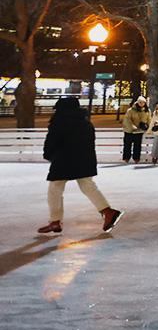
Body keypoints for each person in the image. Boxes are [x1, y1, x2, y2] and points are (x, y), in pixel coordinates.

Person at [37, 97, 123, 235]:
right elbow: (90, 142)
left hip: (63, 160)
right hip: (83, 159)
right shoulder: (86, 123)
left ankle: (55, 221)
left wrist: (48, 155)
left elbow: (51, 140)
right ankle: (107, 211)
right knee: (87, 185)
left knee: (55, 188)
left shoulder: (59, 122)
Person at [121, 96, 151, 163]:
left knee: (137, 146)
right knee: (127, 145)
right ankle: (126, 157)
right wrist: (132, 126)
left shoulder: (147, 111)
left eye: (143, 102)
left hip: (139, 131)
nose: (141, 104)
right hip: (129, 131)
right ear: (137, 102)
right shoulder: (130, 110)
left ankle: (136, 158)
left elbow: (149, 120)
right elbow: (127, 120)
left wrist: (149, 127)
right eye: (140, 102)